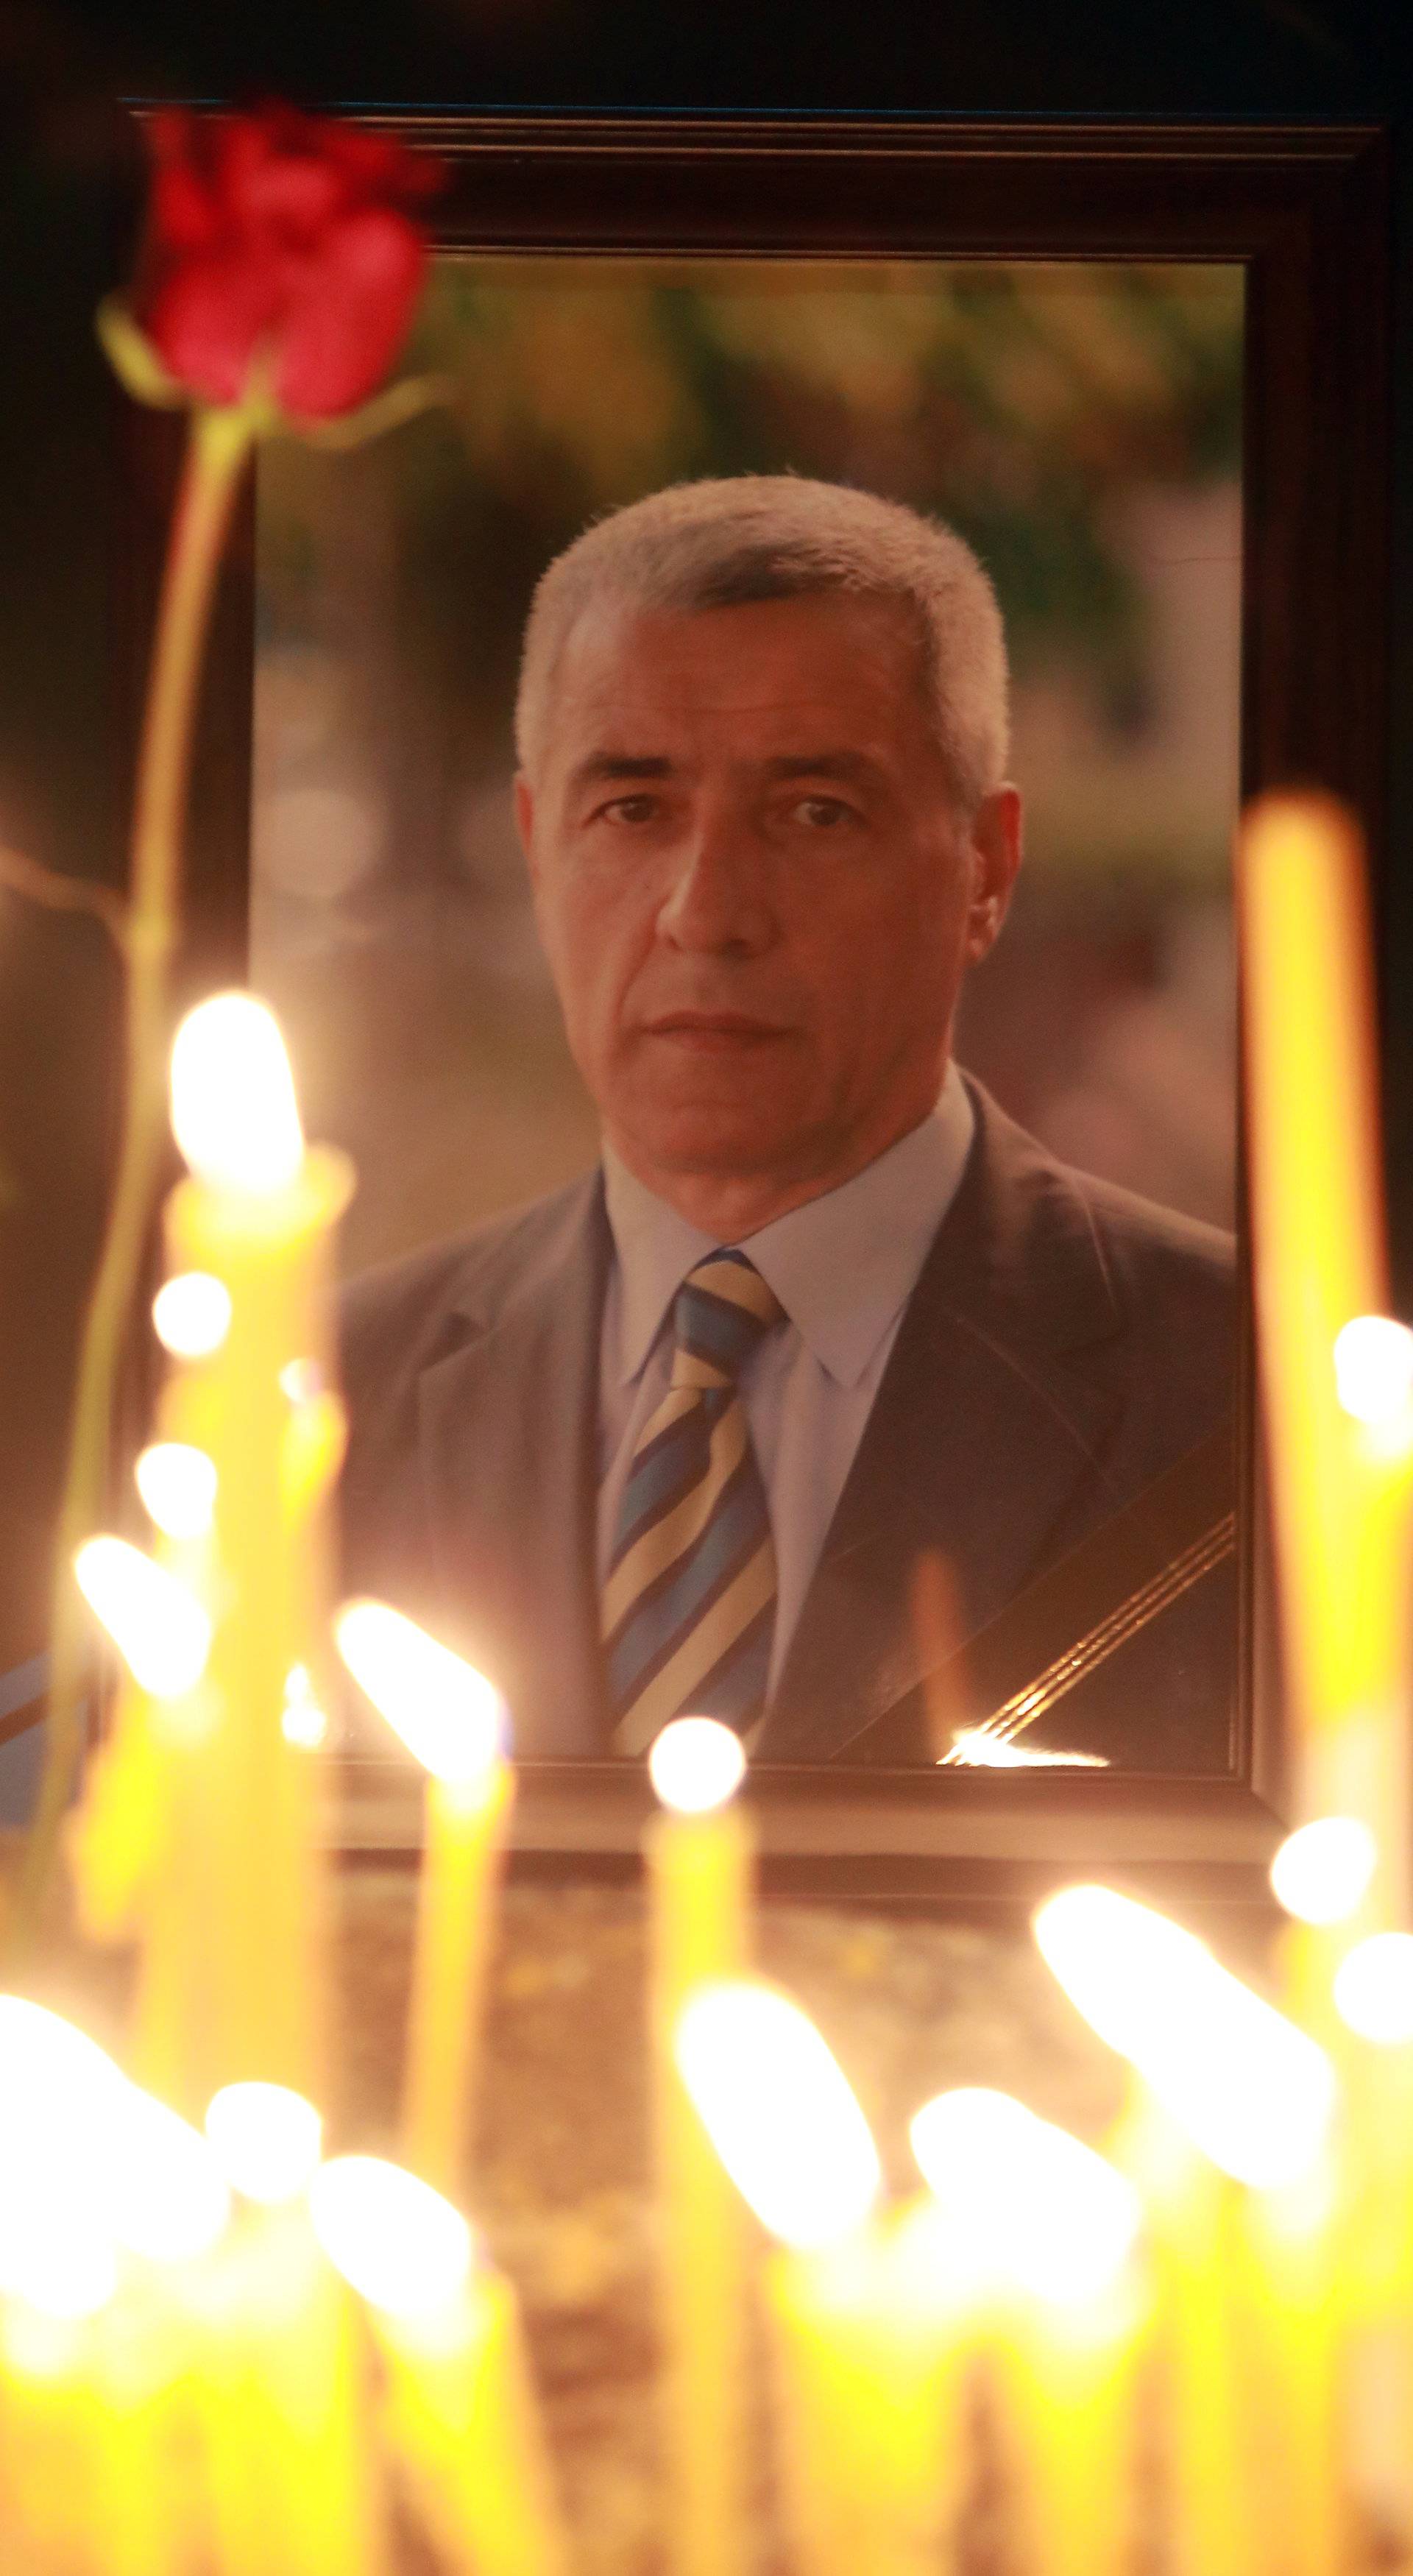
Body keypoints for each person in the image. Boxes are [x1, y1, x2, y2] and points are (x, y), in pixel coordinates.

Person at [340, 475, 1236, 1767]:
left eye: (817, 812)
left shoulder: (1246, 1404)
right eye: (633, 809)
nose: (707, 912)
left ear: (985, 868)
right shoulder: (321, 1406)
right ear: (539, 849)